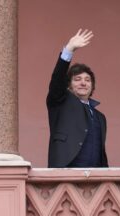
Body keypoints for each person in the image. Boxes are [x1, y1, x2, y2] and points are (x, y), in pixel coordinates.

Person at [47, 29, 108, 168]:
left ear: (92, 86)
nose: (83, 83)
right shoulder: (60, 102)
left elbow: (101, 152)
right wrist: (69, 50)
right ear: (68, 85)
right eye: (77, 79)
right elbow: (57, 81)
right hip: (65, 174)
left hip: (95, 180)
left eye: (87, 80)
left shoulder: (100, 117)